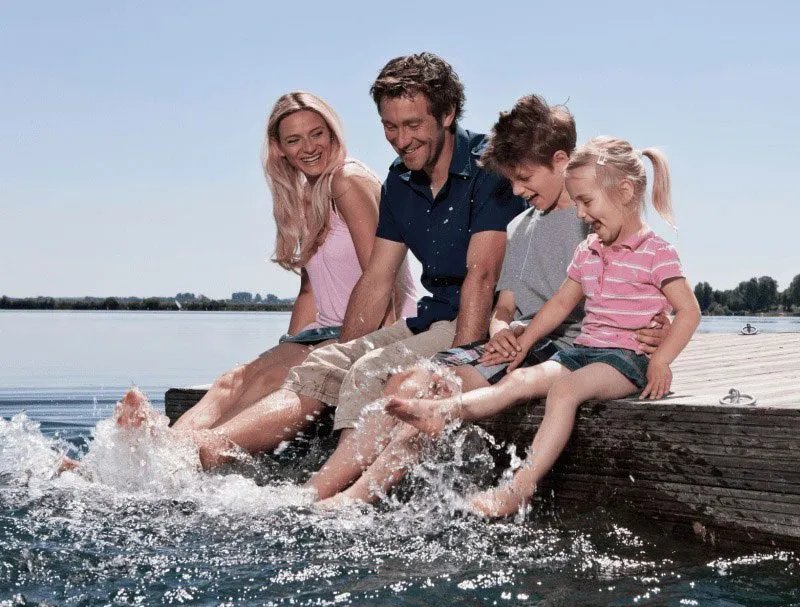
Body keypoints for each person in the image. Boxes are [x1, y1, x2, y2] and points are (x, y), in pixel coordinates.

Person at [168, 52, 524, 475]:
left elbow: (482, 277)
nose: (400, 139)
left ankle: (296, 477)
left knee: (365, 370)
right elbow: (376, 279)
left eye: (413, 125)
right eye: (390, 127)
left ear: (447, 114)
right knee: (323, 365)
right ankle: (189, 452)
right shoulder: (400, 177)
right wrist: (345, 351)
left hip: (484, 323)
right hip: (433, 318)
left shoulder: (489, 165)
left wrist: (461, 366)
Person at [314, 96, 667, 507]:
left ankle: (359, 497)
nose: (516, 190)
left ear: (559, 162)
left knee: (432, 390)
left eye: (523, 177)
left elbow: (641, 281)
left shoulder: (592, 220)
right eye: (510, 180)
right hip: (520, 346)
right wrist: (500, 331)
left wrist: (657, 324)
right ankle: (364, 489)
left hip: (565, 351)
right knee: (406, 383)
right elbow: (505, 305)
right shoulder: (519, 225)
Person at [386, 136, 702, 517]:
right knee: (517, 380)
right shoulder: (588, 251)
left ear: (625, 191)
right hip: (583, 351)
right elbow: (559, 305)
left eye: (587, 202)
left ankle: (519, 488)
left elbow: (689, 312)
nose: (582, 214)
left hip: (625, 359)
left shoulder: (657, 253)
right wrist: (525, 342)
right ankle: (445, 411)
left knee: (565, 390)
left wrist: (662, 360)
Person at [113, 91, 417, 444]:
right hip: (324, 332)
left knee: (268, 381)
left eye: (317, 133)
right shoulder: (307, 196)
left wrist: (353, 353)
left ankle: (179, 455)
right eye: (294, 139)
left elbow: (381, 278)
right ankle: (163, 452)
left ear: (333, 133)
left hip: (369, 330)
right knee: (236, 378)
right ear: (280, 149)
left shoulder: (346, 181)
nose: (308, 147)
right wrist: (285, 348)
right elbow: (309, 291)